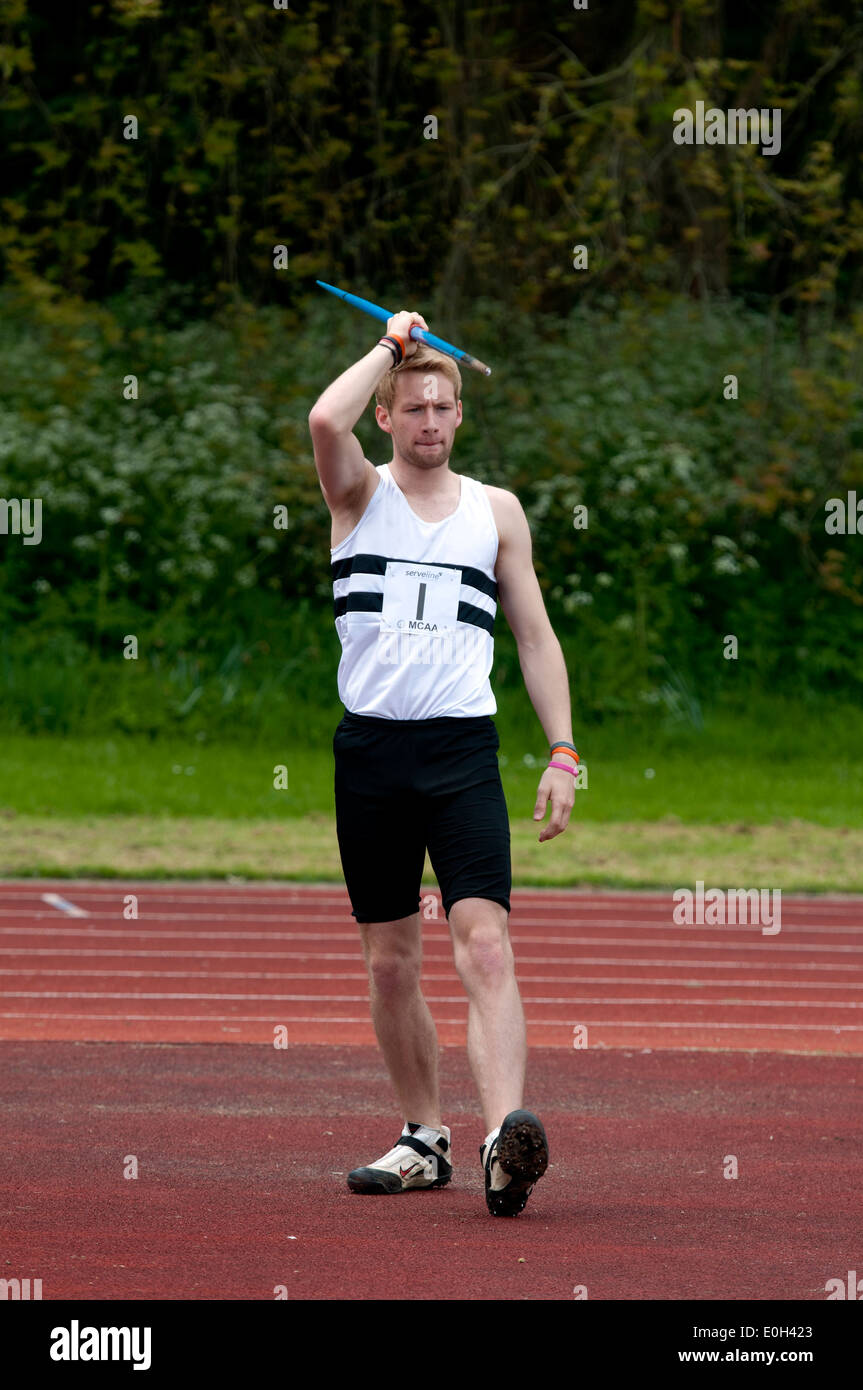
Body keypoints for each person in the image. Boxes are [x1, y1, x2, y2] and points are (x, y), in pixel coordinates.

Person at [308, 308, 577, 1216]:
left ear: (461, 415)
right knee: (389, 962)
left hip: (462, 750)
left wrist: (563, 752)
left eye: (443, 406)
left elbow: (535, 640)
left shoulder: (495, 512)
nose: (430, 421)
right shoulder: (355, 493)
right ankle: (424, 1136)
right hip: (372, 751)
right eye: (413, 406)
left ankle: (506, 1142)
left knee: (486, 944)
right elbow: (320, 421)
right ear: (387, 416)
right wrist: (388, 346)